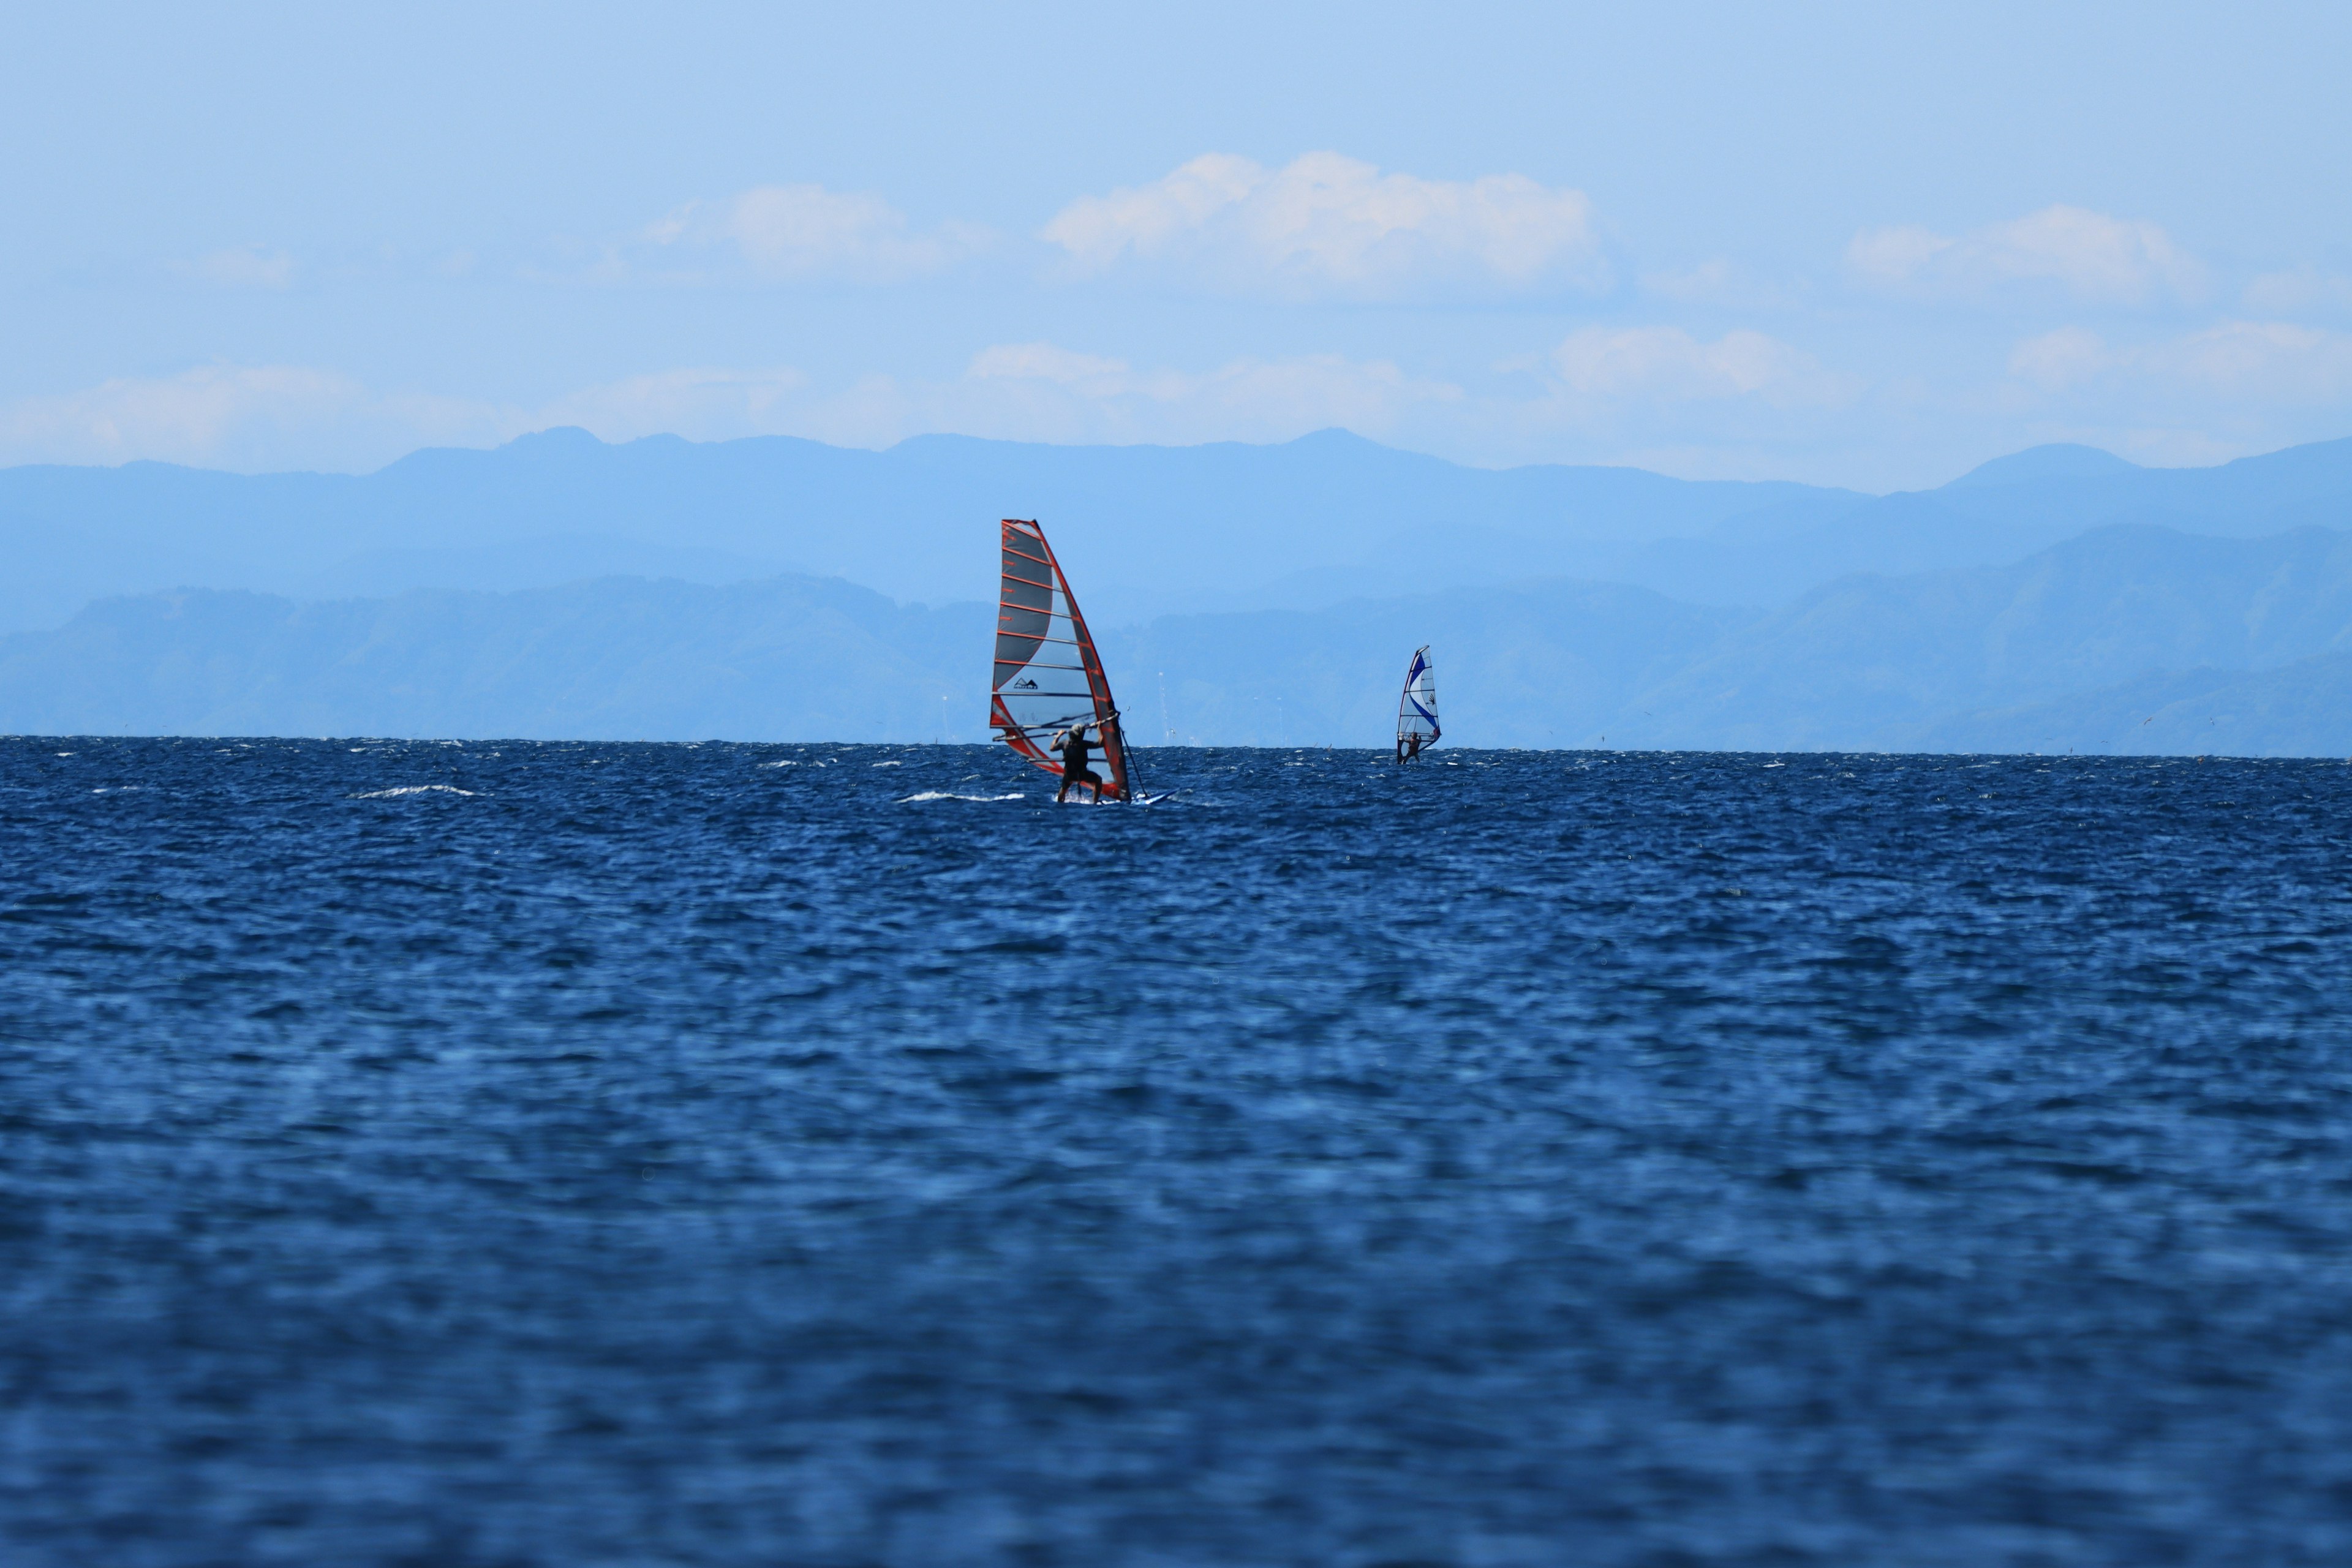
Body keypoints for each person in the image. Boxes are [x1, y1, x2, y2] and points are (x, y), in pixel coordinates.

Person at [1055, 722, 1104, 802]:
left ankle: (1060, 803)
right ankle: (1095, 802)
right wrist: (1099, 728)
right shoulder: (1083, 744)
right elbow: (1100, 743)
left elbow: (1052, 748)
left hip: (1069, 774)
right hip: (1082, 774)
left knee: (1063, 789)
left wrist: (1058, 736)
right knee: (1098, 780)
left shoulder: (1064, 743)